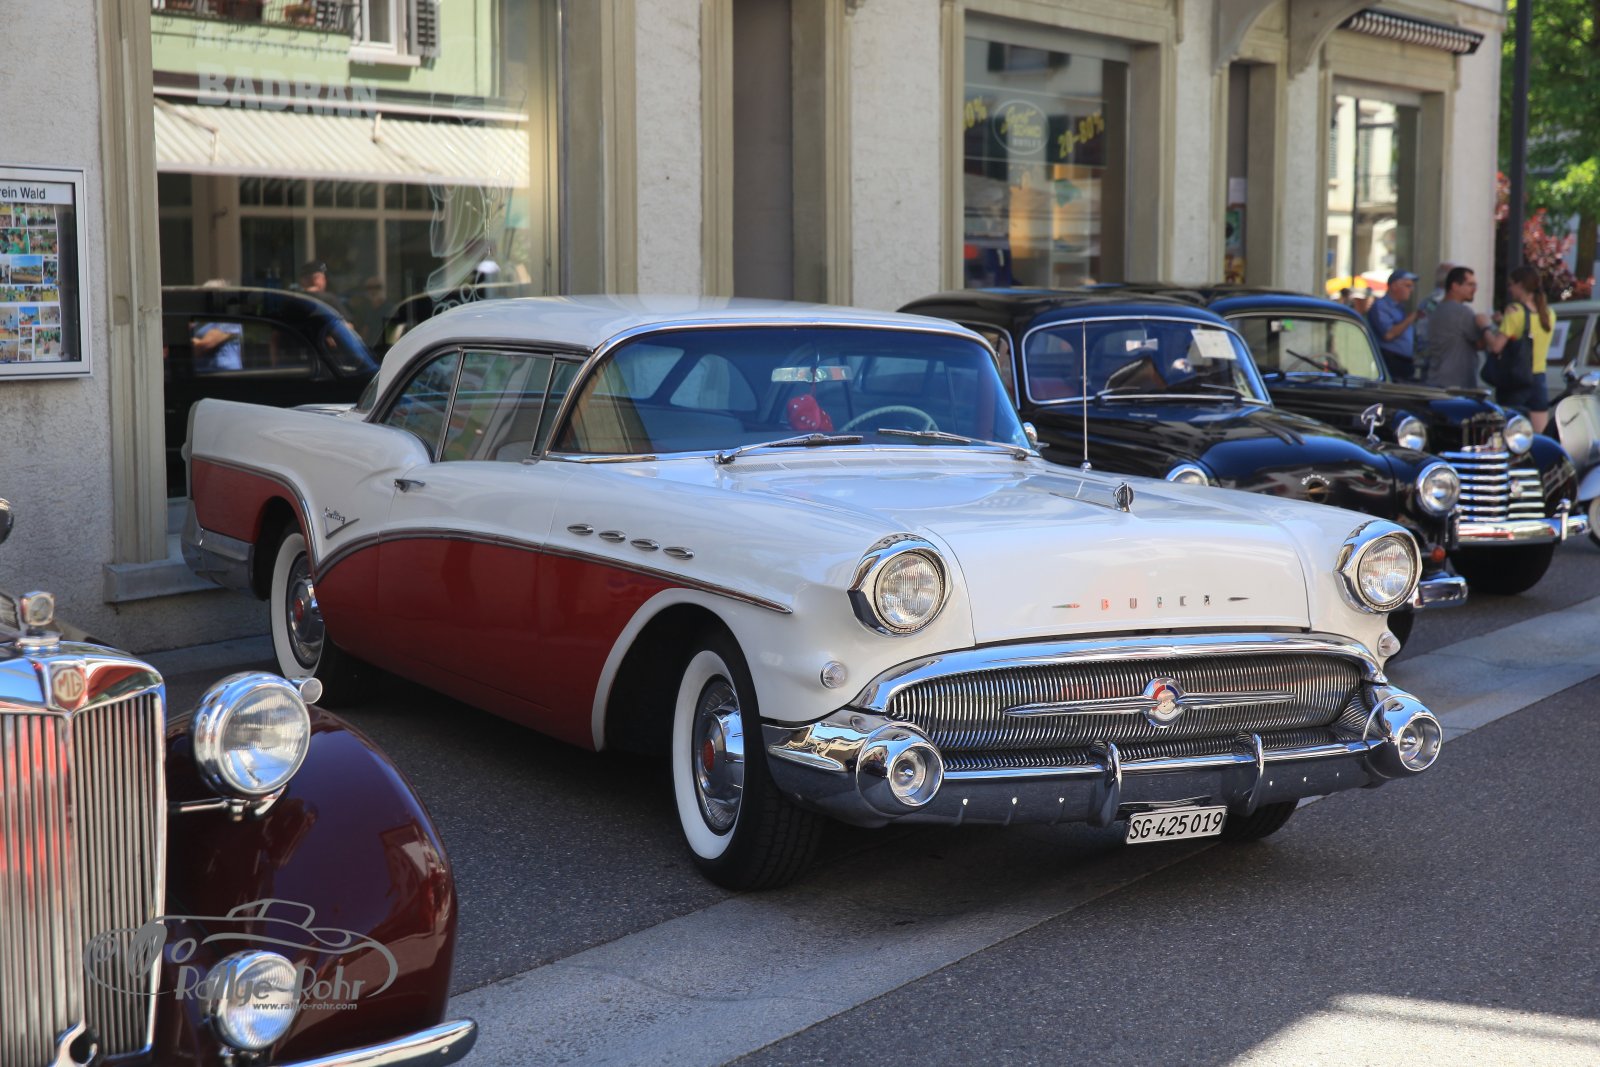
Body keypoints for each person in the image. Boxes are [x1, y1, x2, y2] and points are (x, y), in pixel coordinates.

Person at [1483, 264, 1553, 432]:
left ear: (1520, 285)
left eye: (1511, 285)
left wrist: (1484, 328)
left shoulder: (1514, 312)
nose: (1509, 289)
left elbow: (1496, 346)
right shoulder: (1548, 314)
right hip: (1539, 379)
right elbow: (1530, 334)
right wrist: (1503, 323)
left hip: (1517, 380)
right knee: (1539, 435)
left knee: (1512, 433)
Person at [1424, 265, 1489, 391]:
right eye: (1470, 285)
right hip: (1457, 384)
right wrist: (1486, 325)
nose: (1474, 289)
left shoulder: (1436, 309)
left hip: (1435, 379)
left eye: (1475, 285)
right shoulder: (1463, 312)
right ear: (1454, 286)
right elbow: (1481, 344)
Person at [1366, 269, 1424, 380]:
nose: (1411, 290)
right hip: (1391, 361)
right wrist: (1411, 318)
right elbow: (1388, 334)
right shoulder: (1381, 306)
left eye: (1412, 286)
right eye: (1407, 286)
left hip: (1404, 362)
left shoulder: (1399, 307)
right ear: (1394, 286)